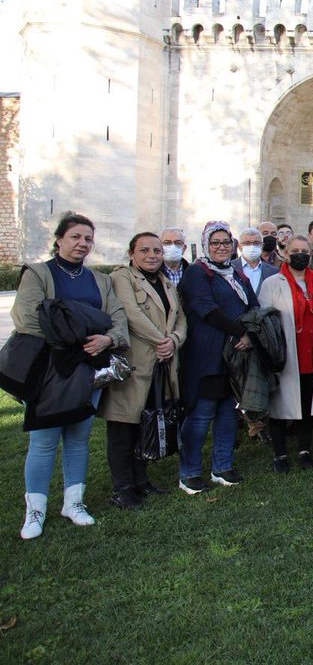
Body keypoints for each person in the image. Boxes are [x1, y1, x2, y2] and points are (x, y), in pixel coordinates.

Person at [14, 213, 129, 539]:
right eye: (76, 237)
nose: (82, 244)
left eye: (88, 239)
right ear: (60, 239)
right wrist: (79, 336)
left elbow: (116, 317)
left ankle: (73, 503)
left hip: (89, 369)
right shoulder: (38, 274)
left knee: (78, 438)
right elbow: (28, 318)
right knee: (44, 440)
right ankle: (34, 511)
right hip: (51, 369)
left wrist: (109, 339)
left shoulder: (100, 280)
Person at [102, 232, 187, 508]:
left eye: (157, 251)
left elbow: (181, 318)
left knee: (145, 423)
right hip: (134, 365)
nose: (152, 255)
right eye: (144, 250)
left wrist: (173, 341)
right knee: (123, 428)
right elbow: (131, 313)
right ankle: (123, 488)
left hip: (160, 365)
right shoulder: (122, 278)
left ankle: (141, 480)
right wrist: (161, 341)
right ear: (131, 254)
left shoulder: (166, 283)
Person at [177, 221, 257, 494]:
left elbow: (252, 305)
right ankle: (189, 471)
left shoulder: (236, 275)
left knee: (226, 412)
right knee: (201, 414)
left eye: (226, 242)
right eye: (215, 243)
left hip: (234, 356)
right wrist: (239, 333)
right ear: (206, 245)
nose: (221, 247)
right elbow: (206, 309)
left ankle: (222, 466)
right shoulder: (198, 274)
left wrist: (251, 333)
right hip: (207, 354)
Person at [259, 235, 313, 473]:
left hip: (311, 352)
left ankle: (304, 449)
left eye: (304, 251)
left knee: (308, 402)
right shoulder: (272, 283)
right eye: (295, 250)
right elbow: (264, 322)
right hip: (285, 352)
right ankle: (280, 453)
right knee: (280, 404)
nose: (300, 254)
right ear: (286, 254)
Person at [234, 227, 279, 295]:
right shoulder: (230, 268)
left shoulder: (274, 271)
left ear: (262, 246)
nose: (252, 246)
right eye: (247, 243)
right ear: (239, 246)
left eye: (256, 243)